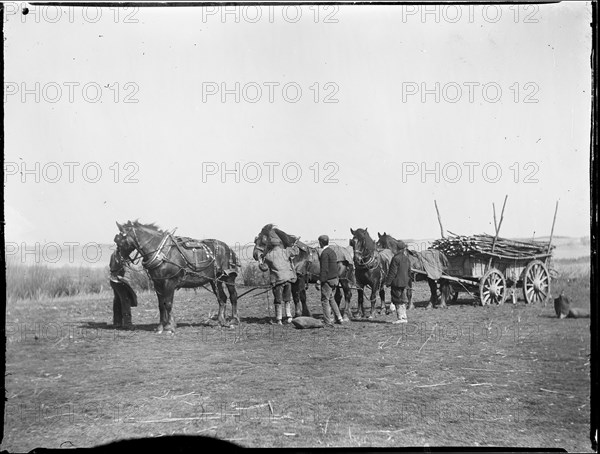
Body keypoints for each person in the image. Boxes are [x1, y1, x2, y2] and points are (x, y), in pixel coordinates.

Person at [262, 237, 299, 325]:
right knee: (287, 299)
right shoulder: (285, 251)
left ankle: (279, 319)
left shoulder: (268, 255)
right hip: (288, 278)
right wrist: (294, 246)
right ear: (279, 244)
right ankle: (289, 316)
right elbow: (296, 252)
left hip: (277, 280)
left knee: (278, 300)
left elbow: (264, 266)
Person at [384, 240, 411, 324]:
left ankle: (400, 318)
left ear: (397, 248)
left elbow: (392, 272)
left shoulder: (395, 258)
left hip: (396, 283)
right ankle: (404, 317)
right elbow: (409, 271)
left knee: (397, 300)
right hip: (404, 282)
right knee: (402, 299)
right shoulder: (406, 258)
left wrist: (387, 283)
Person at [318, 235, 343, 326]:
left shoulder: (324, 253)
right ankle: (339, 317)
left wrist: (321, 281)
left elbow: (324, 269)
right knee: (332, 299)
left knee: (325, 300)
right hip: (335, 279)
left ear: (321, 242)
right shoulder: (332, 251)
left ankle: (327, 321)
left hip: (328, 280)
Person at [109, 249, 138, 329]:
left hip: (113, 280)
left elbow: (110, 265)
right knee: (126, 301)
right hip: (120, 281)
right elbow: (135, 268)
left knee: (118, 301)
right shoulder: (123, 256)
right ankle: (127, 324)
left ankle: (117, 322)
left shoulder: (114, 253)